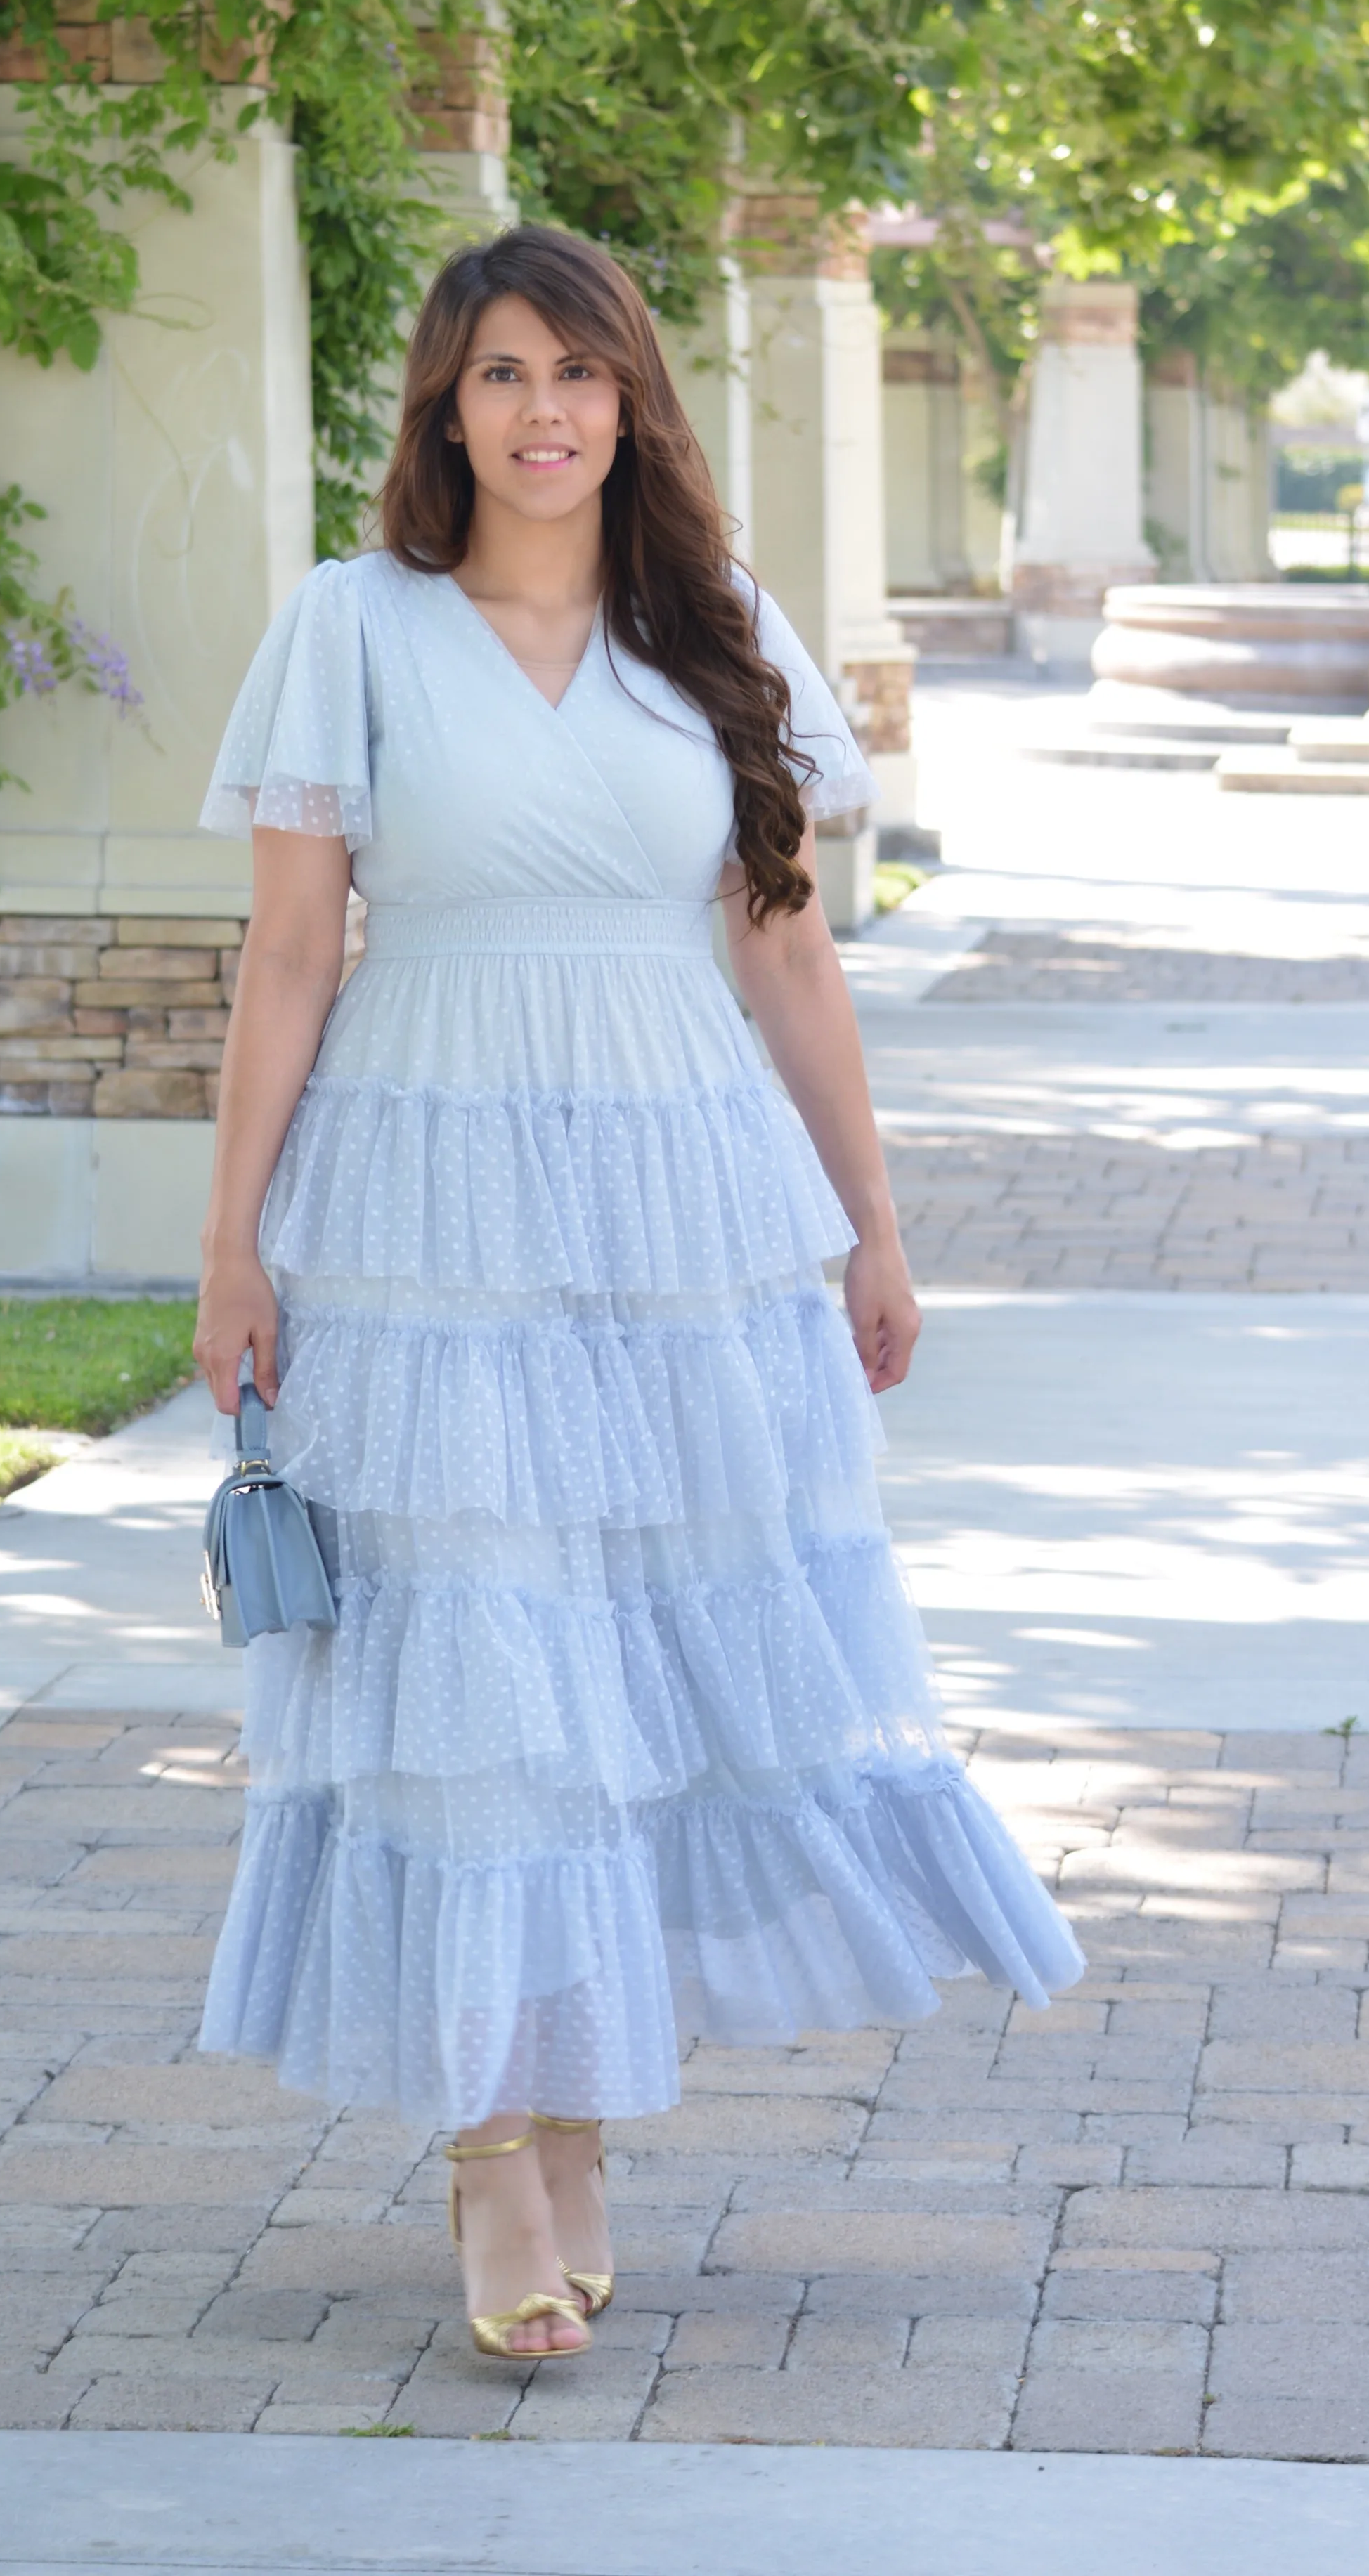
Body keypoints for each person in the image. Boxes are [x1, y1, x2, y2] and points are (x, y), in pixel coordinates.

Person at [192, 223, 1082, 2362]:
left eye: (578, 373)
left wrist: (868, 1219)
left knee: (624, 1685)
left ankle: (576, 2131)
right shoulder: (354, 627)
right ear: (445, 405)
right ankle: (500, 2159)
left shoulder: (717, 632)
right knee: (483, 1668)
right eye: (501, 374)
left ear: (631, 401)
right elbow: (296, 956)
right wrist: (231, 1242)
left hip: (687, 1217)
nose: (543, 412)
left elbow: (785, 950)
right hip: (429, 1209)